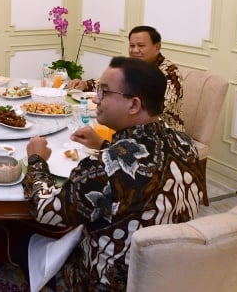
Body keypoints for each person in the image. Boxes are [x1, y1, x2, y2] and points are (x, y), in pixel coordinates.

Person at [21, 56, 204, 291]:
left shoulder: (102, 167)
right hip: (165, 276)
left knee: (21, 241)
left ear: (134, 105)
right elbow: (144, 167)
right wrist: (104, 145)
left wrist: (36, 160)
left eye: (105, 92)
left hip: (102, 283)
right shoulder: (185, 143)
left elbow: (46, 211)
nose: (95, 98)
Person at [67, 25, 185, 131]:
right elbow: (112, 83)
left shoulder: (170, 73)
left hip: (163, 132)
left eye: (141, 46)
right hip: (130, 125)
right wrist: (85, 84)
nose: (135, 50)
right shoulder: (133, 66)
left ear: (157, 47)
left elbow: (154, 107)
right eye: (132, 45)